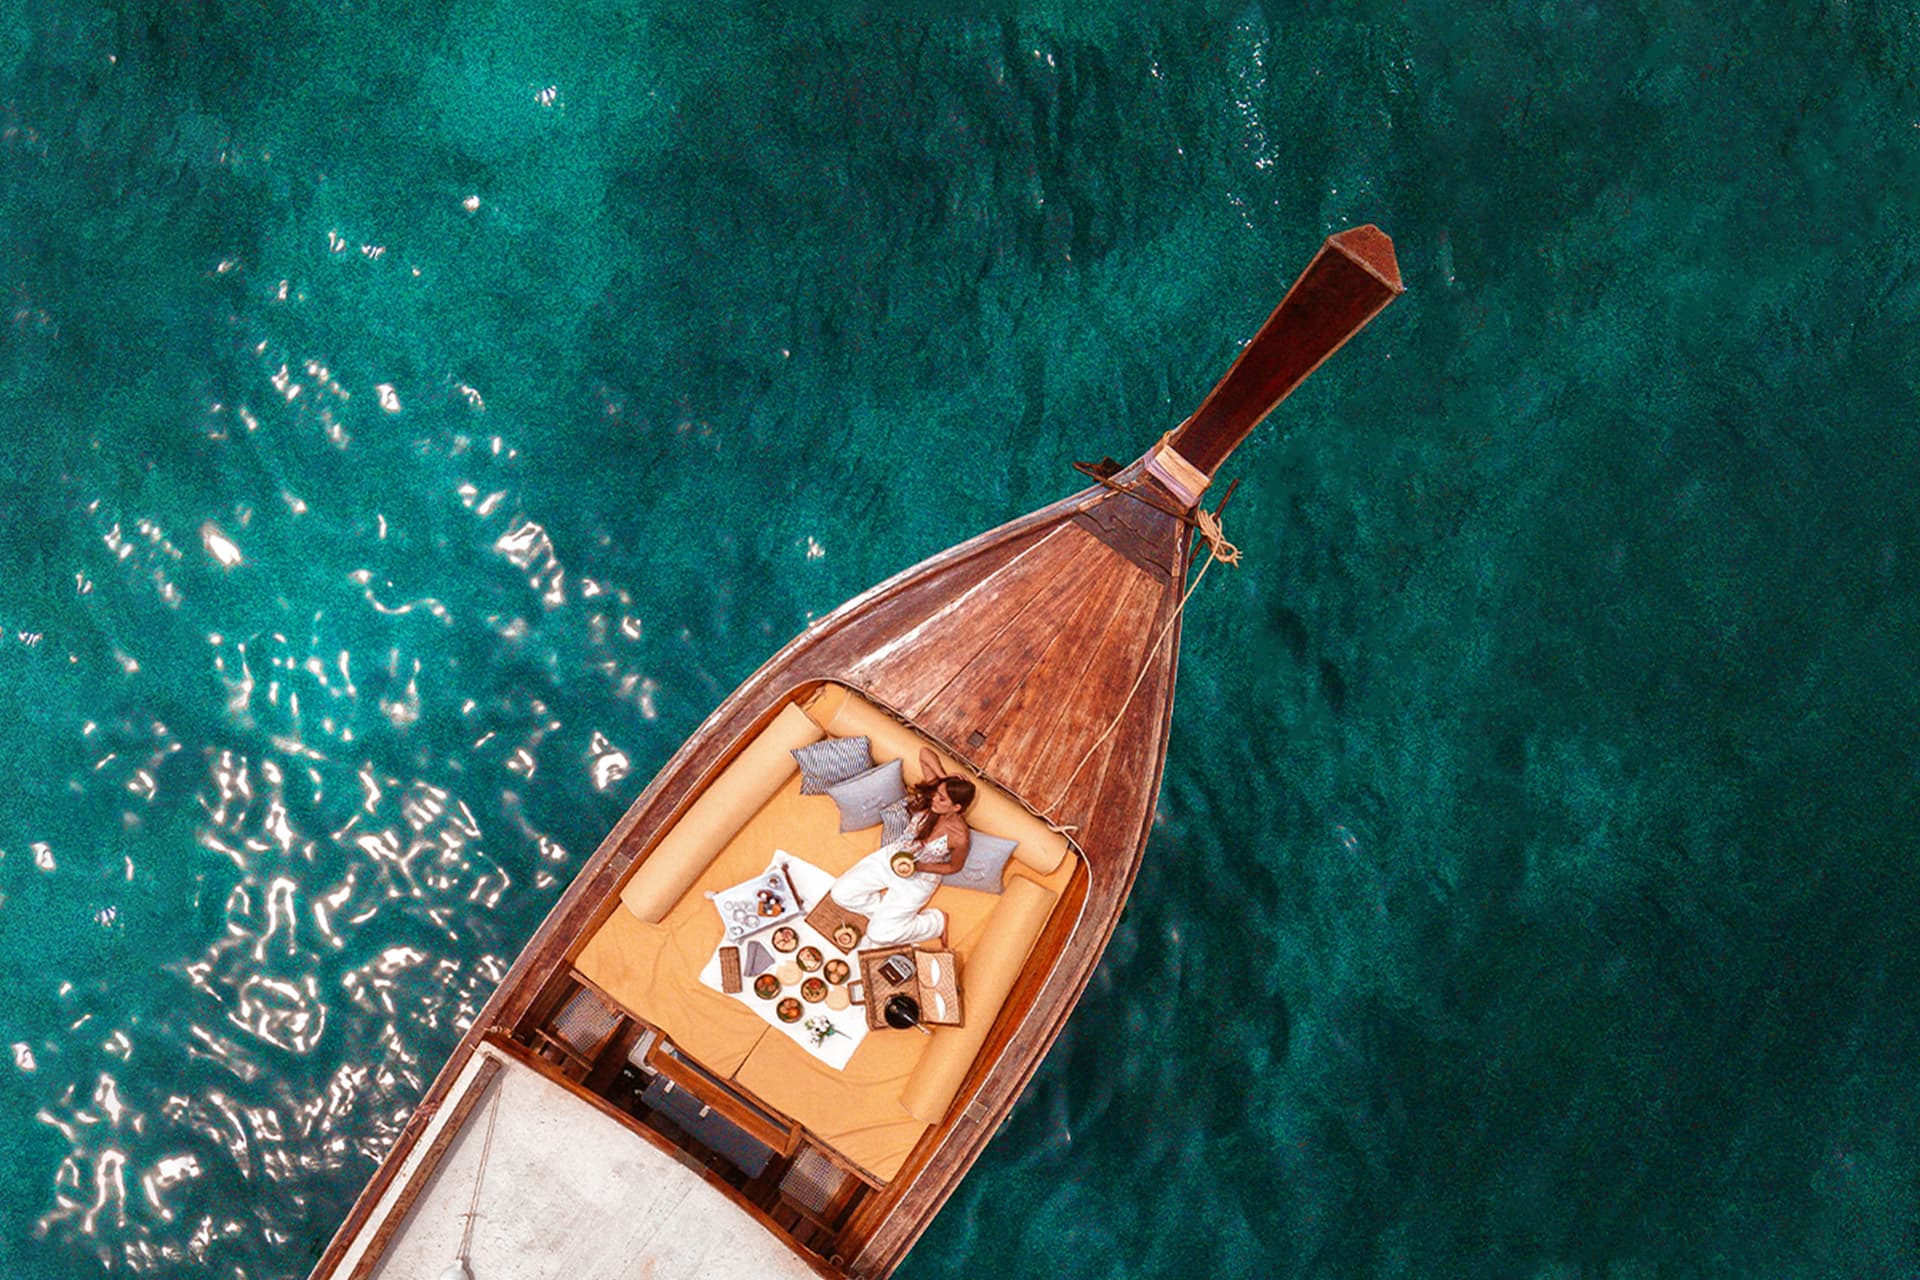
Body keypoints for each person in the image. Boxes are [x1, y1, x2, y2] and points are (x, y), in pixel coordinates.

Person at [827, 748, 974, 946]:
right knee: (840, 893)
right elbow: (924, 753)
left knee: (879, 936)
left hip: (919, 879)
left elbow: (953, 867)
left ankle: (935, 922)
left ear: (956, 808)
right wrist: (943, 779)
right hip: (893, 856)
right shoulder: (932, 801)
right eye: (937, 794)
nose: (935, 800)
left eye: (942, 799)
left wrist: (920, 867)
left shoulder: (960, 837)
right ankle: (884, 914)